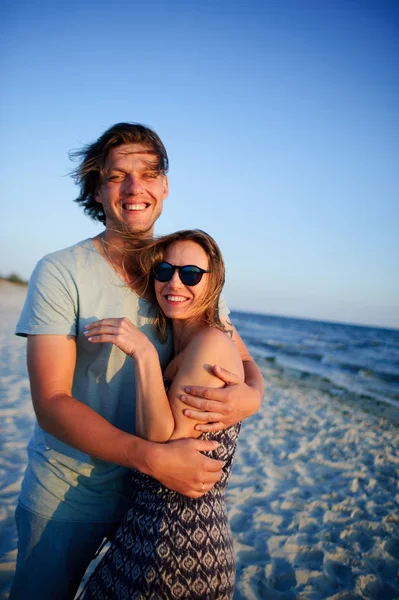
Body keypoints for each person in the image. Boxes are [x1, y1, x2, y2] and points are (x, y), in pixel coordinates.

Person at [10, 123, 264, 600]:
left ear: (164, 186)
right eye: (117, 176)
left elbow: (243, 360)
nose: (134, 188)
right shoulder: (61, 270)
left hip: (150, 507)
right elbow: (50, 402)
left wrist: (251, 397)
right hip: (69, 492)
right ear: (97, 189)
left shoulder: (179, 271)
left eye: (148, 173)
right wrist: (152, 457)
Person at [80, 229, 243, 599]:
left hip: (178, 541)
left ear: (213, 281)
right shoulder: (182, 340)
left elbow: (162, 443)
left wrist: (144, 355)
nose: (174, 282)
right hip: (147, 529)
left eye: (190, 274)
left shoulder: (211, 342)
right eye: (165, 270)